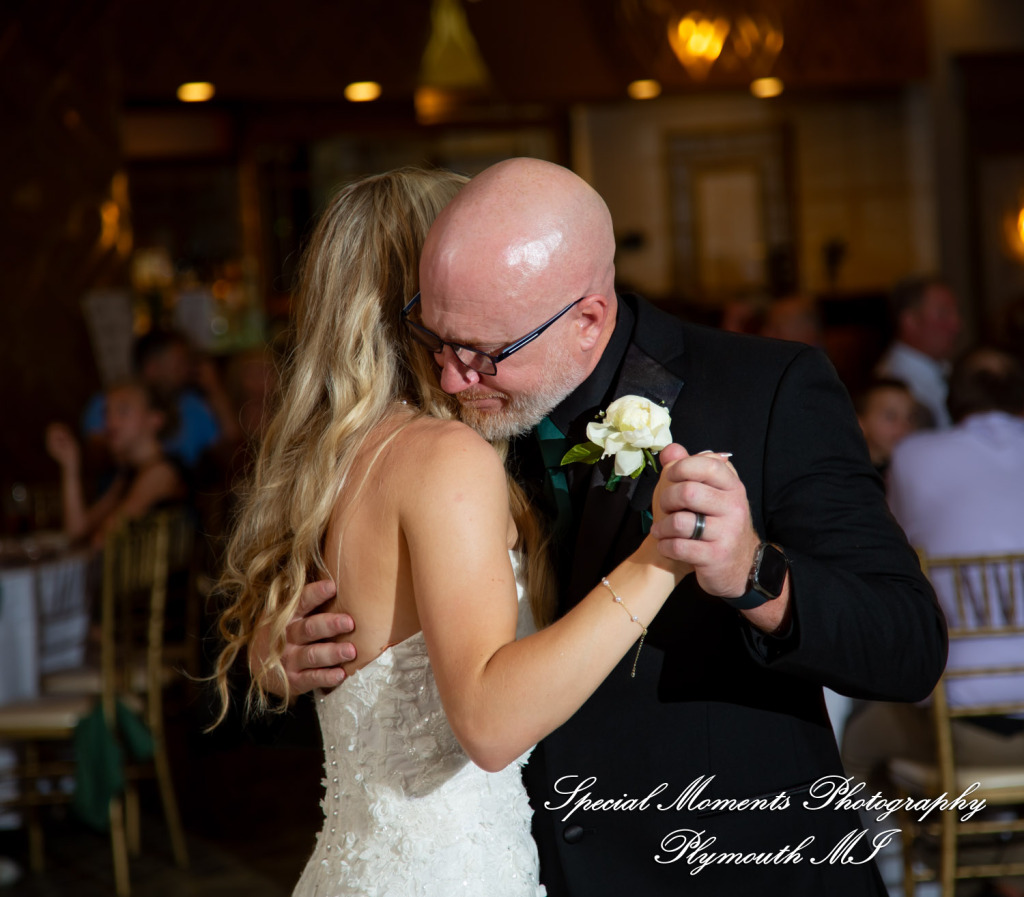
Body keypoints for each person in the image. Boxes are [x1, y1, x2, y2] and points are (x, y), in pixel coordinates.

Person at [269, 158, 947, 896]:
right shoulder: (442, 432)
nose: (454, 376)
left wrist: (756, 574)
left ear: (587, 318)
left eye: (486, 354)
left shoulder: (767, 389)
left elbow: (909, 646)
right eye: (435, 336)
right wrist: (294, 658)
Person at [210, 168, 692, 897]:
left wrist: (267, 653)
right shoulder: (444, 459)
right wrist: (662, 557)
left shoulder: (334, 460)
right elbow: (489, 722)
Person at [843, 347, 1024, 789]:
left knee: (852, 746)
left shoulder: (913, 457)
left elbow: (885, 557)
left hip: (964, 728)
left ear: (951, 397)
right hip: (978, 727)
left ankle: (891, 841)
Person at [46, 380, 186, 548]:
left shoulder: (161, 472)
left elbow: (103, 541)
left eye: (123, 410)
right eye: (107, 413)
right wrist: (70, 464)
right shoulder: (127, 474)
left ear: (155, 419)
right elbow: (76, 533)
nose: (110, 422)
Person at [81, 329, 236, 471]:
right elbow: (95, 459)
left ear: (156, 419)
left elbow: (232, 454)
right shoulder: (107, 401)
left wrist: (215, 390)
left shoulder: (192, 405)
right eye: (180, 363)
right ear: (152, 368)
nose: (188, 370)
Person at [875, 275, 963, 429]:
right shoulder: (894, 383)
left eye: (955, 313)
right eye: (943, 314)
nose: (956, 324)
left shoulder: (946, 368)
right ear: (910, 321)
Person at [852, 377, 918, 476]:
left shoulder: (914, 471)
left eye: (910, 418)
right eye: (890, 416)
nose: (905, 426)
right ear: (859, 423)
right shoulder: (849, 476)